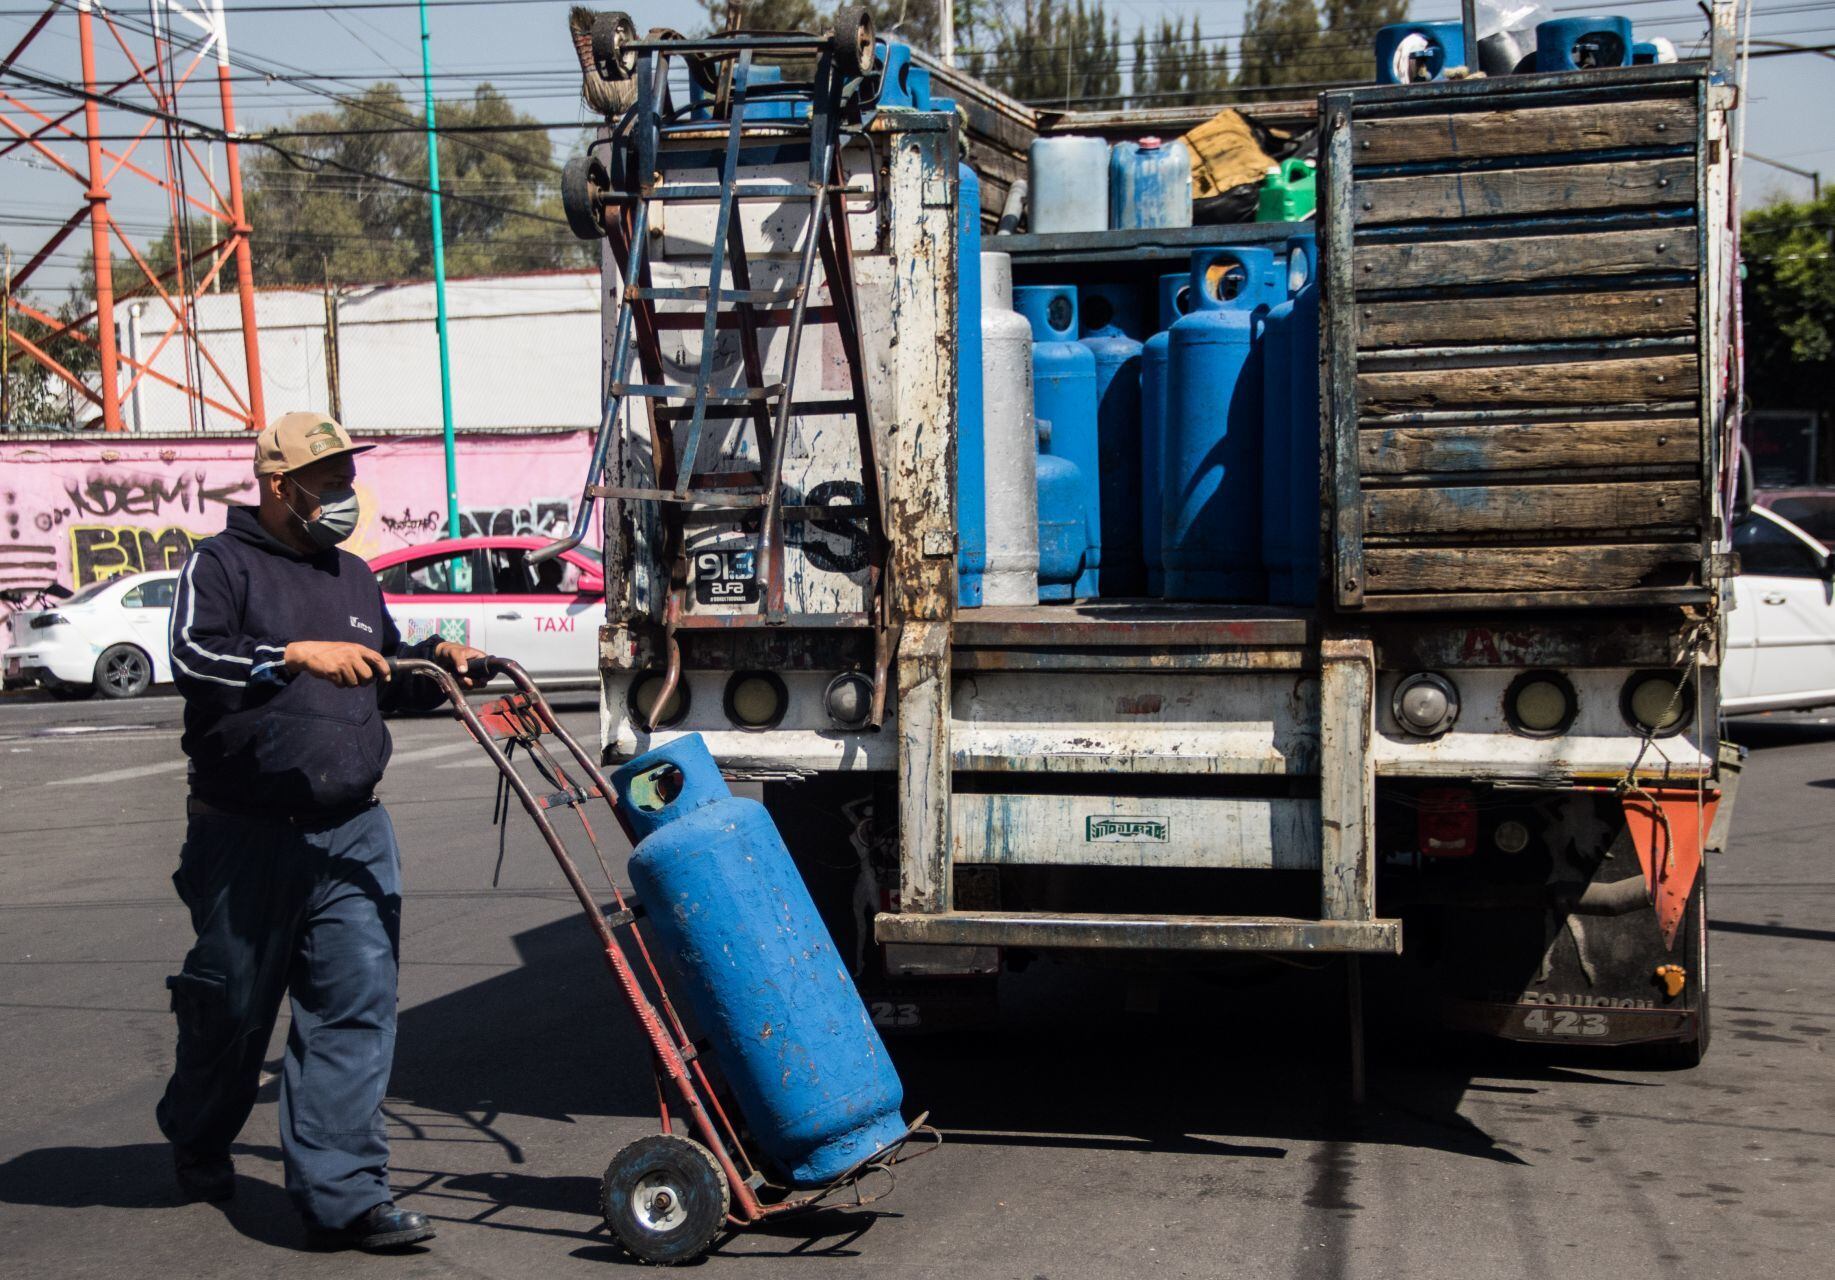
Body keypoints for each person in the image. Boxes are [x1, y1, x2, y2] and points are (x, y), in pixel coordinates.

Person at [156, 412, 486, 1251]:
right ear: (278, 486)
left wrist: (434, 668)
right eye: (328, 478)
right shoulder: (219, 565)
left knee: (353, 1008)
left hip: (351, 830)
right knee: (232, 1008)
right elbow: (193, 660)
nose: (345, 492)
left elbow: (376, 679)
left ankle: (346, 1196)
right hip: (246, 831)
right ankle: (197, 1133)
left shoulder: (352, 576)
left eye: (346, 474)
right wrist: (287, 656)